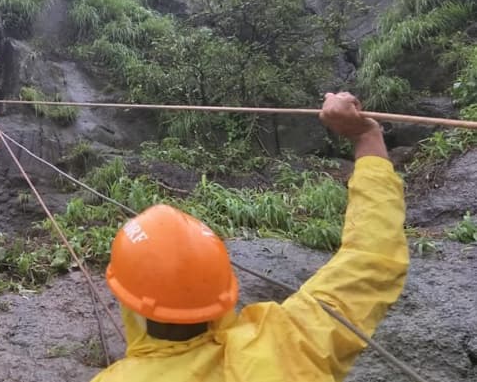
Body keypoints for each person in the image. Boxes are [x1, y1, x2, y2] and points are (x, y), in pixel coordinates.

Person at [92, 91, 408, 382]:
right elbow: (371, 257)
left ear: (127, 301)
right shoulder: (290, 343)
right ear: (225, 289)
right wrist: (366, 136)